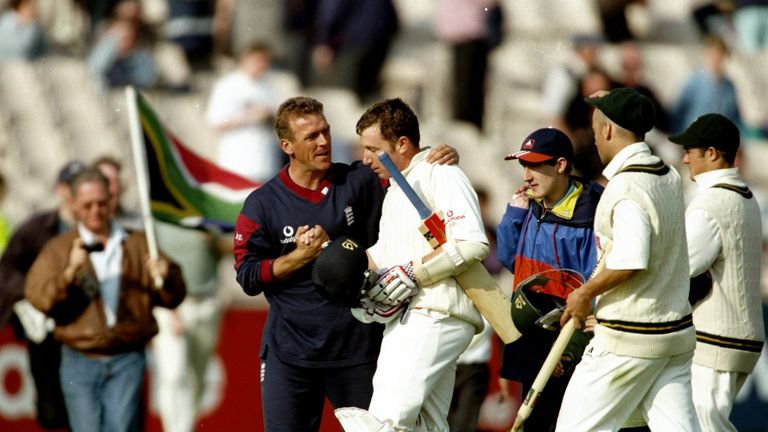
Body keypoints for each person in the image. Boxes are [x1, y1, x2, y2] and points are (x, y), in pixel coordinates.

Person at [233, 95, 459, 431]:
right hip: (289, 354)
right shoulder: (261, 204)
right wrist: (299, 257)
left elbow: (407, 170)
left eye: (325, 131)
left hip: (357, 348)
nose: (324, 142)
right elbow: (248, 277)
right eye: (311, 137)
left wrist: (434, 157)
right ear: (287, 145)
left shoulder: (359, 180)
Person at [339, 97, 488, 431]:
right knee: (429, 426)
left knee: (385, 420)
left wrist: (415, 272)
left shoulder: (442, 172)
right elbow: (389, 252)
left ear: (402, 143)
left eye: (372, 149)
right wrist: (345, 263)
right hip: (411, 314)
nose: (365, 159)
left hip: (436, 311)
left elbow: (471, 242)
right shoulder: (395, 188)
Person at [556, 88, 699, 431]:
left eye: (595, 133)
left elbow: (632, 258)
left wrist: (584, 293)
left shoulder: (626, 187)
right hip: (674, 335)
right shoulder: (667, 175)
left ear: (607, 131)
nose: (593, 142)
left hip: (629, 338)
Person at [24, 167, 186, 432]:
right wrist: (68, 274)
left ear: (111, 200)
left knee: (122, 427)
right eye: (87, 205)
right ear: (74, 204)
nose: (95, 211)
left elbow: (173, 297)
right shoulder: (60, 249)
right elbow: (39, 297)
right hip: (80, 357)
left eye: (101, 203)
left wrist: (166, 276)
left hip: (126, 357)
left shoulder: (137, 243)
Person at [496, 127, 602, 431]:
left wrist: (567, 349)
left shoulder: (589, 215)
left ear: (560, 165)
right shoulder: (531, 205)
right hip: (533, 337)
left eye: (535, 166)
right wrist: (514, 215)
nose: (527, 175)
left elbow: (592, 291)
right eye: (524, 166)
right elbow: (510, 261)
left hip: (567, 345)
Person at [669, 113, 765, 432]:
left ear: (712, 154)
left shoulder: (711, 203)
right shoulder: (744, 196)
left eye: (690, 151)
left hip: (717, 338)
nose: (684, 159)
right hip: (736, 336)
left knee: (705, 424)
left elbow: (680, 266)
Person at [0, 160, 86, 431]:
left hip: (83, 330)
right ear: (60, 189)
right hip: (45, 330)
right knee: (51, 409)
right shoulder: (36, 229)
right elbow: (9, 269)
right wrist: (32, 294)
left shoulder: (98, 228)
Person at [152, 221, 224, 432]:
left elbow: (234, 246)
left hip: (206, 302)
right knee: (173, 375)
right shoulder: (158, 216)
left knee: (198, 376)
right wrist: (167, 304)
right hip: (170, 304)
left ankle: (186, 426)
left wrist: (215, 240)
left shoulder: (208, 217)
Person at [206, 41, 282, 183]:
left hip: (266, 165)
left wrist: (270, 117)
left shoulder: (270, 87)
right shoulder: (227, 85)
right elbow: (216, 123)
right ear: (244, 60)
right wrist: (249, 116)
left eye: (265, 61)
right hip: (237, 164)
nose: (261, 65)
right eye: (257, 60)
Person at [310, 0, 399, 103]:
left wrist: (323, 41)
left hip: (353, 39)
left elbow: (332, 8)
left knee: (343, 94)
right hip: (381, 33)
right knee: (369, 89)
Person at [434, 0, 502, 130]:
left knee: (465, 87)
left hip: (464, 32)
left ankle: (465, 128)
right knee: (467, 88)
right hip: (469, 32)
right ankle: (467, 127)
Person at [671, 36, 742, 135]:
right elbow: (678, 111)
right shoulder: (694, 81)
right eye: (712, 54)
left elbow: (735, 117)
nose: (716, 58)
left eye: (719, 54)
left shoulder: (729, 86)